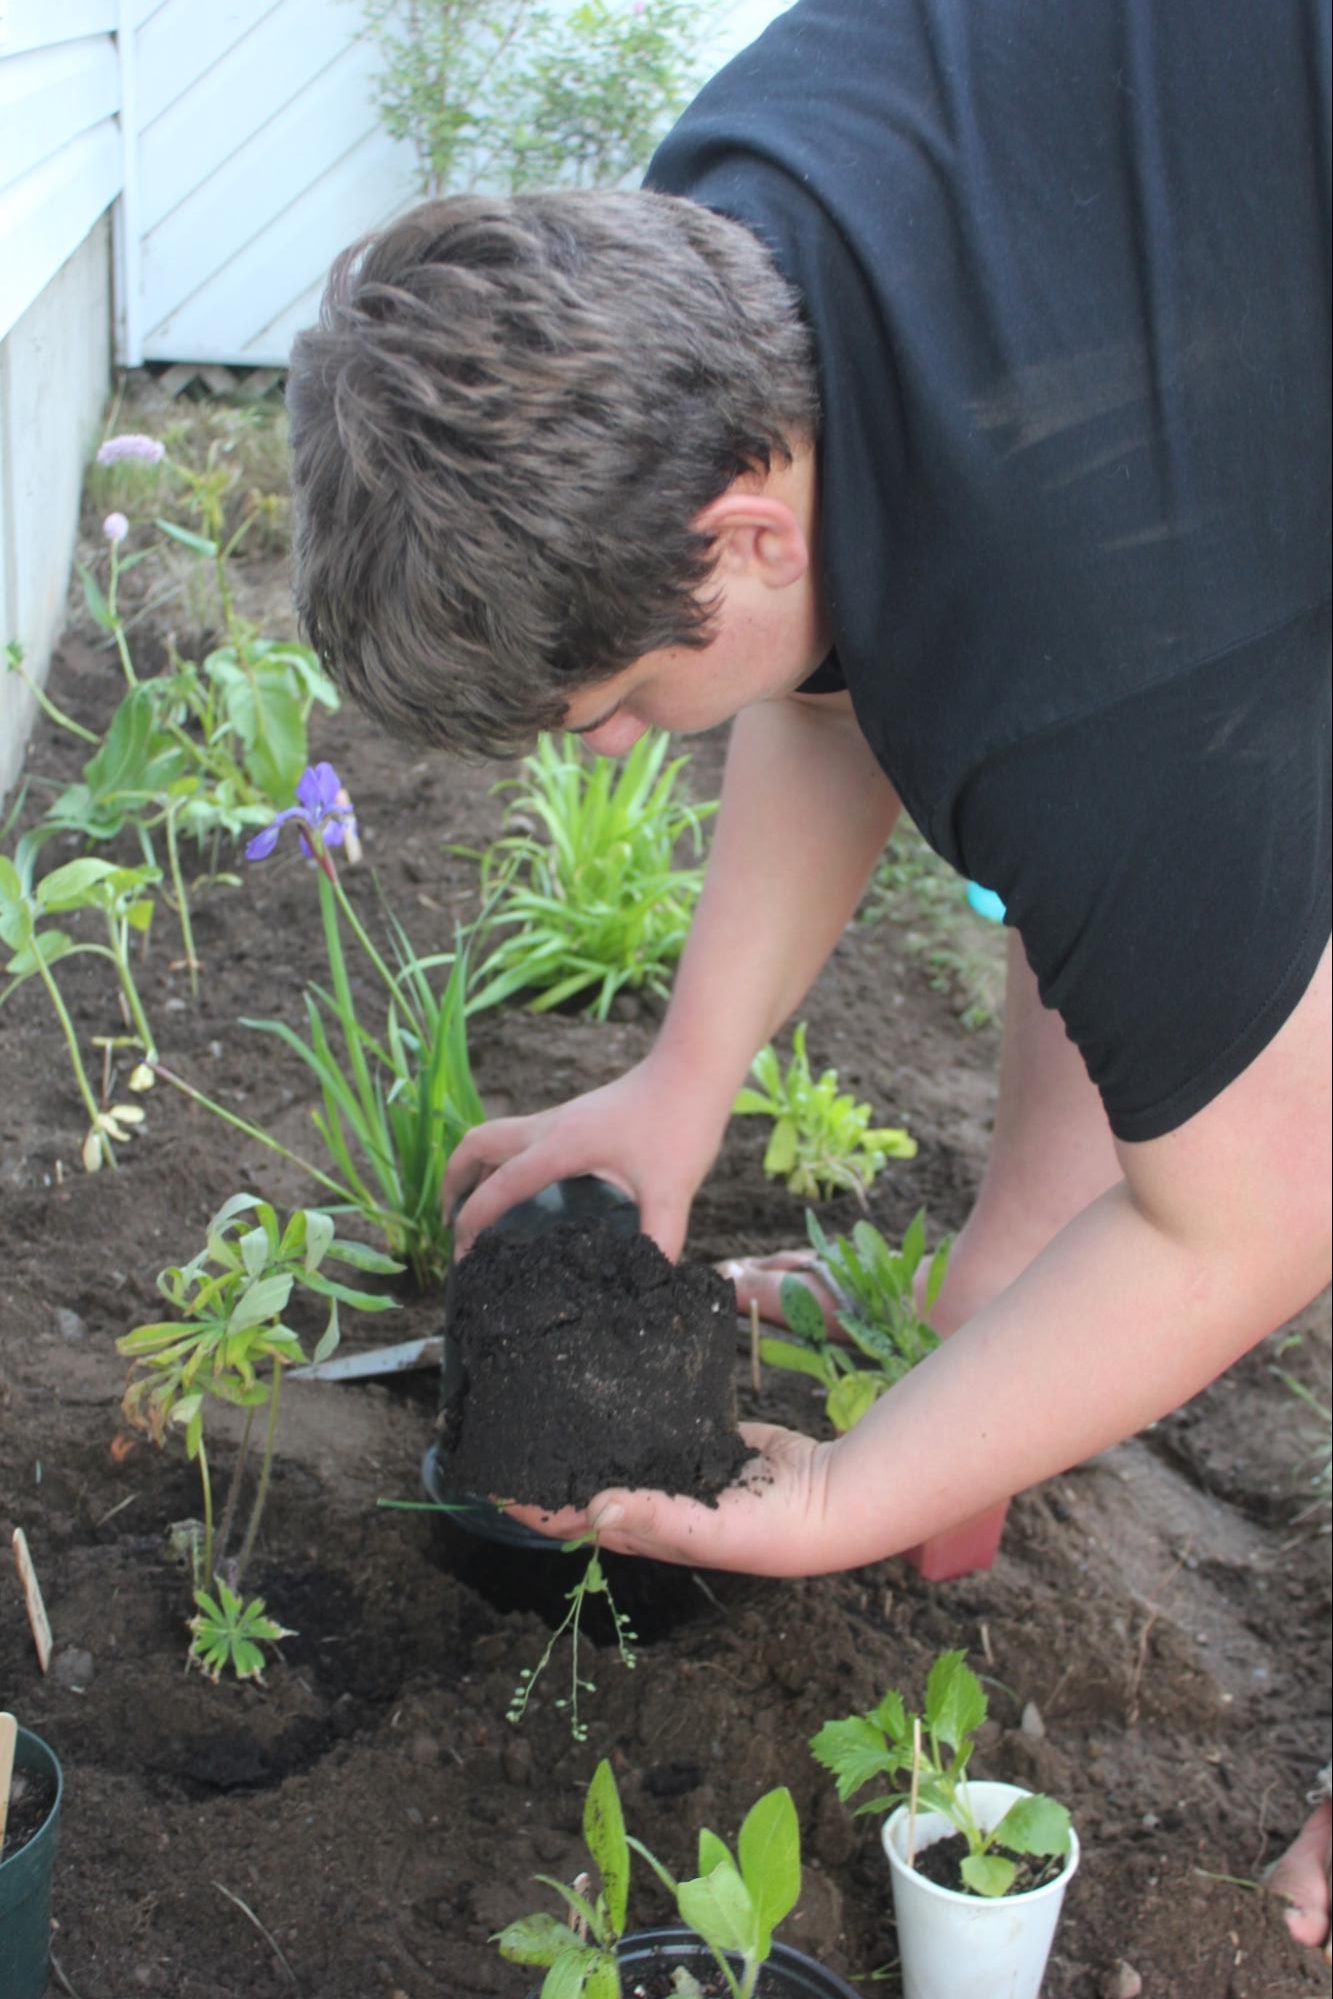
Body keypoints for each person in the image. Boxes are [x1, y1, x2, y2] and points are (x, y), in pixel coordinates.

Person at [285, 0, 1330, 1950]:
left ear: (737, 524)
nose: (611, 751)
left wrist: (843, 1493)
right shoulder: (718, 236)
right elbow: (826, 649)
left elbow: (1257, 1217)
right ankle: (1006, 1298)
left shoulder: (1090, 632)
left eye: (605, 710)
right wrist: (686, 1074)